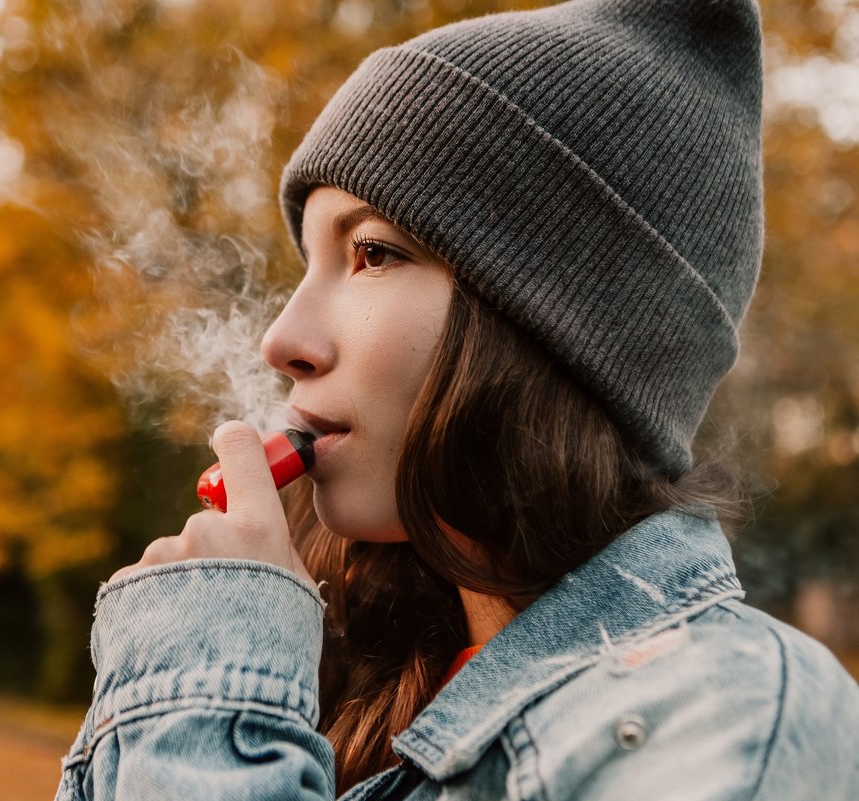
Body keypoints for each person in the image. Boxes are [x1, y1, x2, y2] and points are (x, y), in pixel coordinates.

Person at [56, 0, 859, 798]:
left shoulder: (733, 715)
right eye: (307, 263)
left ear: (557, 323)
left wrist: (209, 683)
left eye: (371, 252)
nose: (282, 338)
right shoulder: (347, 674)